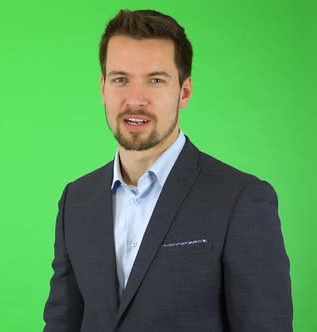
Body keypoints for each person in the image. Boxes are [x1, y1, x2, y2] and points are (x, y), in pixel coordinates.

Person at [42, 9, 293, 332]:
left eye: (156, 80)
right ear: (103, 87)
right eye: (121, 80)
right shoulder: (75, 201)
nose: (136, 100)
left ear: (184, 92)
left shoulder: (241, 200)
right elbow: (62, 323)